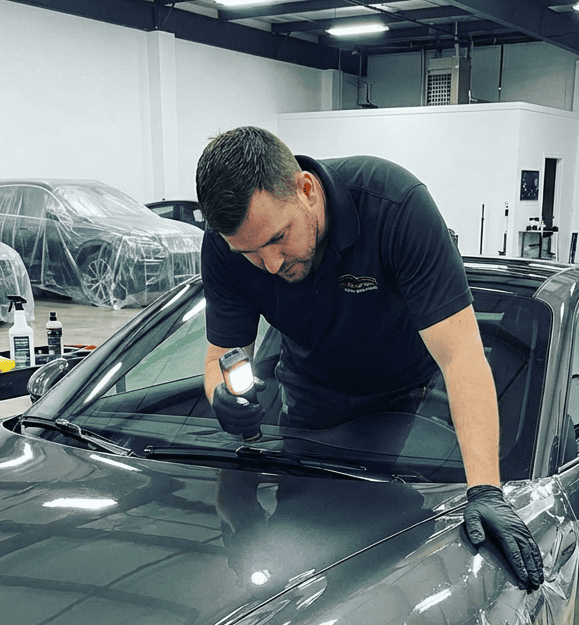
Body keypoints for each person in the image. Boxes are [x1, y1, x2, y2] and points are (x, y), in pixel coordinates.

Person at [195, 126, 543, 591]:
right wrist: (221, 394)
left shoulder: (395, 207)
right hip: (312, 403)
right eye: (250, 254)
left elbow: (461, 355)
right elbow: (221, 354)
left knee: (412, 556)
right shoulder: (226, 247)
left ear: (306, 189)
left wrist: (485, 489)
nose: (272, 265)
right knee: (315, 547)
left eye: (279, 238)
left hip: (414, 399)